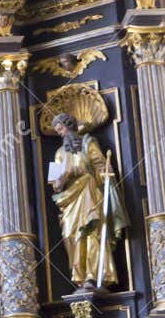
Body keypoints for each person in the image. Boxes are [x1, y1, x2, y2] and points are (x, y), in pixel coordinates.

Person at [48, 111, 127, 288]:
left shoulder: (88, 143)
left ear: (69, 126)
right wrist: (62, 179)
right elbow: (54, 184)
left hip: (88, 191)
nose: (60, 133)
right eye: (58, 131)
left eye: (61, 128)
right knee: (69, 235)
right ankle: (80, 276)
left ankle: (94, 276)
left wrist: (105, 173)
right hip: (69, 199)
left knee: (91, 231)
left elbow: (102, 167)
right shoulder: (59, 153)